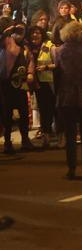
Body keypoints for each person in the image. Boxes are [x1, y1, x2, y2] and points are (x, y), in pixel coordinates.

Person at [53, 21, 82, 179]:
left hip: (66, 95)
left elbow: (57, 75)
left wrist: (57, 95)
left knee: (70, 134)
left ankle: (71, 167)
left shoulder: (60, 51)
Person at [1, 23, 35, 153]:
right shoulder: (6, 42)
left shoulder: (25, 46)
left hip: (21, 84)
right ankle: (7, 142)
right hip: (7, 84)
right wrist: (6, 32)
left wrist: (30, 73)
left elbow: (31, 60)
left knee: (24, 113)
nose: (19, 34)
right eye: (17, 31)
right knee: (7, 114)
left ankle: (25, 140)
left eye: (22, 31)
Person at [29, 26, 56, 148]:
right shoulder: (29, 48)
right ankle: (46, 136)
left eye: (38, 33)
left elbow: (58, 64)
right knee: (43, 110)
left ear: (42, 34)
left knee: (50, 109)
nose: (35, 35)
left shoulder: (49, 46)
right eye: (32, 33)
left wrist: (46, 67)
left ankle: (53, 135)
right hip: (36, 84)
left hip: (49, 83)